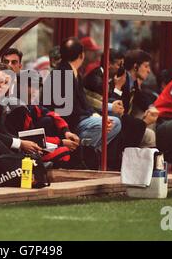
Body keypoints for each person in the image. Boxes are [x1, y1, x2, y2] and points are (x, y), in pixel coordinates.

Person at [46, 37, 121, 168]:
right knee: (101, 124)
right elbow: (67, 109)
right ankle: (80, 153)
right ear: (81, 55)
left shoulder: (74, 72)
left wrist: (95, 115)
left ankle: (88, 153)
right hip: (67, 123)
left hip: (79, 118)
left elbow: (84, 101)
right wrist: (94, 117)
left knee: (115, 122)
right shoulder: (62, 73)